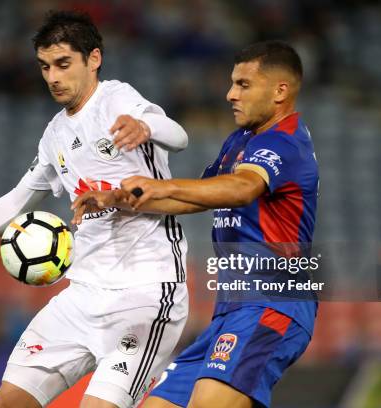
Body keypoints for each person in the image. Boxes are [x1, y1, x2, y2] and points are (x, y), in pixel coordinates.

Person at [0, 11, 190, 408]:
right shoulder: (55, 134)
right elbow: (16, 200)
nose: (52, 77)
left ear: (93, 59)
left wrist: (147, 127)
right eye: (45, 67)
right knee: (5, 403)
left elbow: (178, 136)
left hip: (147, 292)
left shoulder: (116, 99)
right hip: (82, 294)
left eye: (63, 64)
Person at [73, 41, 319, 408]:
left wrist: (162, 185)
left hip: (273, 304)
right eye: (232, 83)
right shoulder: (241, 140)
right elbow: (196, 196)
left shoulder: (286, 143)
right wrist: (119, 201)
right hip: (230, 312)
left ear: (280, 91)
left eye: (243, 85)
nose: (230, 94)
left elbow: (241, 189)